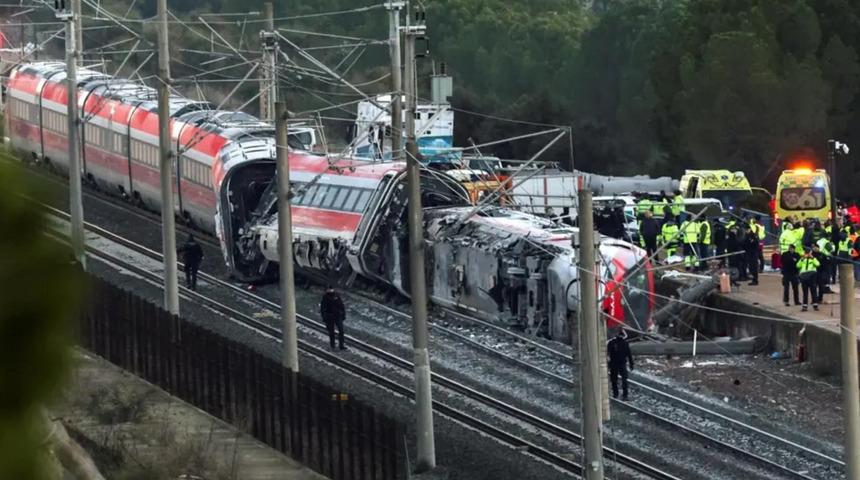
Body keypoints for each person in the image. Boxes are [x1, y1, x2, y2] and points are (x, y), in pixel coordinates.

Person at [607, 329, 634, 401]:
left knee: (614, 380)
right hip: (622, 364)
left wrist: (607, 364)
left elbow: (607, 354)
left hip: (614, 364)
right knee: (624, 379)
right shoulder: (625, 343)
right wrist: (631, 364)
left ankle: (616, 394)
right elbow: (629, 354)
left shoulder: (612, 343)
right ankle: (625, 395)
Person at [320, 285, 346, 350]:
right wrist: (324, 317)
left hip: (337, 316)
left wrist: (343, 315)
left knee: (341, 331)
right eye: (328, 289)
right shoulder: (325, 297)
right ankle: (333, 346)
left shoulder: (336, 296)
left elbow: (341, 306)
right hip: (329, 316)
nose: (330, 290)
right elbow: (322, 308)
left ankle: (341, 345)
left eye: (330, 289)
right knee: (331, 332)